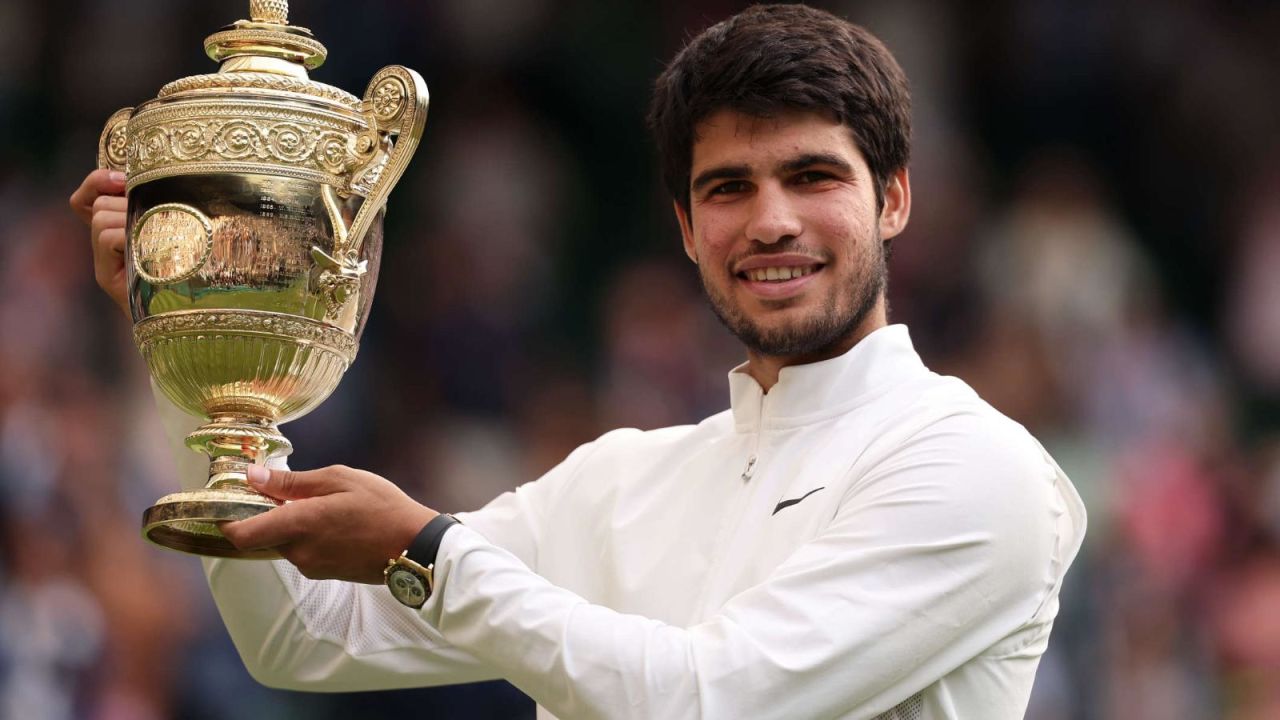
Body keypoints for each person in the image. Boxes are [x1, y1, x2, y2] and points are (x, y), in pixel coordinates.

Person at [71, 5, 1085, 719]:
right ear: (686, 227)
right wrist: (201, 362)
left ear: (893, 199)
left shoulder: (974, 469)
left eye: (812, 176)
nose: (770, 221)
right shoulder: (620, 479)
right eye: (728, 189)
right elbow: (301, 639)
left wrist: (428, 551)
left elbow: (708, 701)